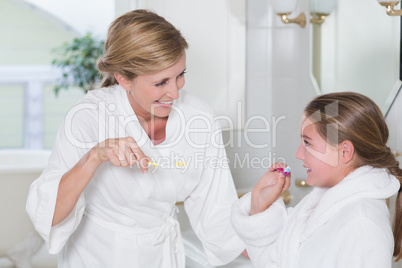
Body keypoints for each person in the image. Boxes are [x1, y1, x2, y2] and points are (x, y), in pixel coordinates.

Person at [26, 9, 245, 267]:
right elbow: (49, 215)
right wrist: (94, 157)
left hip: (164, 256)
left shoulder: (199, 116)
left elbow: (217, 214)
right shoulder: (89, 117)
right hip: (99, 256)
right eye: (161, 82)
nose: (174, 93)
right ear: (123, 80)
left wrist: (271, 248)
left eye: (180, 75)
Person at [231, 92, 402, 267]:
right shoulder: (317, 206)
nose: (298, 154)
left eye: (307, 143)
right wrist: (259, 205)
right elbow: (279, 262)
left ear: (344, 152)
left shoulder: (362, 224)